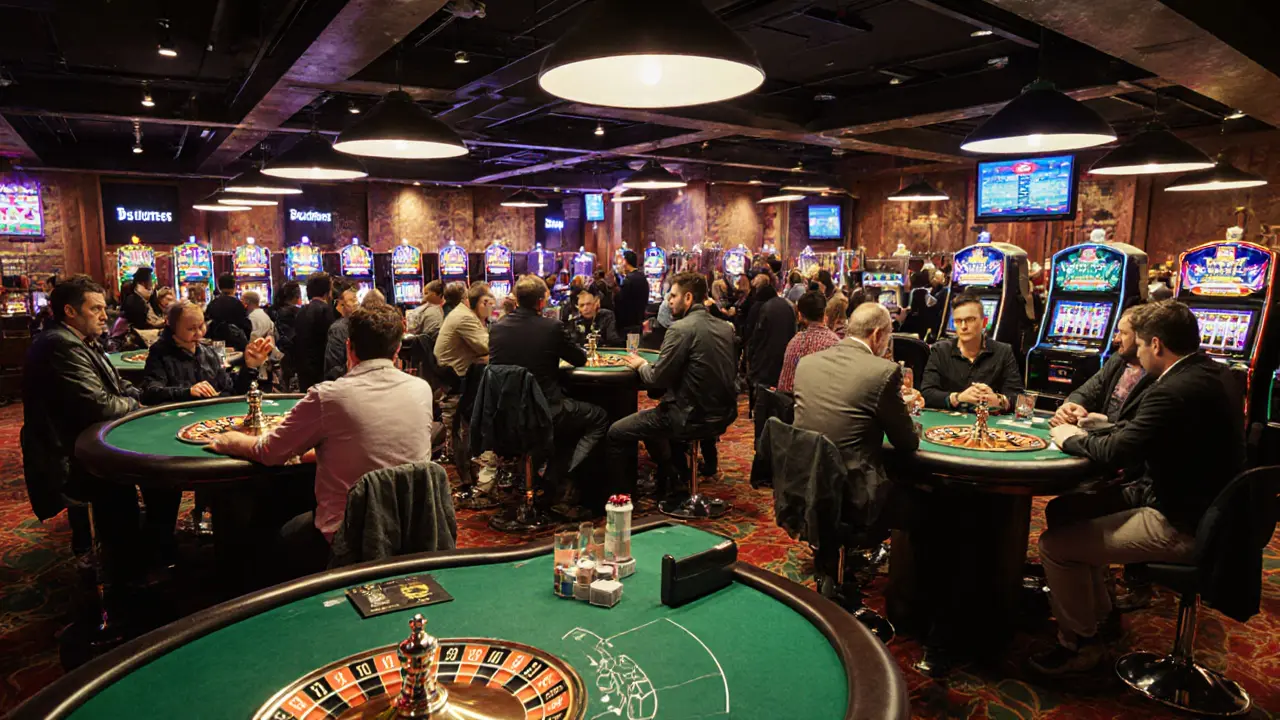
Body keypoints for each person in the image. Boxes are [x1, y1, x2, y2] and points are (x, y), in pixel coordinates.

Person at [1036, 300, 1245, 675]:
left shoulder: (1172, 389)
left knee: (1054, 547)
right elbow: (1149, 433)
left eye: (1142, 344)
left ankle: (1080, 644)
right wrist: (1105, 423)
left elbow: (1114, 454)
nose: (1139, 353)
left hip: (1182, 523)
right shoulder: (1216, 374)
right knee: (1069, 510)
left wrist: (1068, 437)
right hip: (1218, 514)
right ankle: (1101, 620)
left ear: (1158, 346)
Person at [208, 303, 434, 576]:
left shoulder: (328, 396)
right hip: (411, 527)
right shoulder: (422, 389)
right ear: (397, 349)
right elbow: (376, 447)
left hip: (347, 536)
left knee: (270, 539)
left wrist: (229, 440)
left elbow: (269, 452)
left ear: (349, 347)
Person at [21, 275, 144, 569]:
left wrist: (137, 396)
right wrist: (139, 405)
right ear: (70, 311)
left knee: (140, 479)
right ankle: (125, 569)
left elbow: (117, 386)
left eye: (104, 308)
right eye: (96, 309)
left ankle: (140, 549)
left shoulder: (81, 340)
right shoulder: (60, 345)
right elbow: (100, 406)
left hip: (83, 443)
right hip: (71, 457)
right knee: (136, 476)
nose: (105, 316)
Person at [489, 275, 609, 516]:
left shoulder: (497, 328)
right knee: (598, 417)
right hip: (545, 411)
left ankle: (546, 483)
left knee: (563, 428)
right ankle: (565, 481)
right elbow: (579, 358)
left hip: (505, 413)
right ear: (542, 302)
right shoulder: (551, 327)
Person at [610, 273, 737, 495]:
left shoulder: (680, 329)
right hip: (722, 413)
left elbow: (655, 379)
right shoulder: (725, 327)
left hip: (689, 415)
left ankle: (621, 497)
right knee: (656, 419)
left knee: (616, 431)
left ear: (688, 298)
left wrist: (640, 364)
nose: (668, 301)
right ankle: (674, 475)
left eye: (673, 296)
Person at [793, 302, 921, 473]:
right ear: (877, 335)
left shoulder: (806, 363)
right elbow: (907, 442)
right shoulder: (883, 371)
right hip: (852, 485)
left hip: (803, 474)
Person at [140, 301, 273, 405]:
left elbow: (231, 390)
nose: (199, 333)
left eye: (201, 326)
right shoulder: (160, 351)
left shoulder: (207, 351)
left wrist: (250, 367)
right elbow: (150, 394)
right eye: (191, 328)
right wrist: (188, 392)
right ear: (173, 327)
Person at [434, 282, 495, 486]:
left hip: (460, 382)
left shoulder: (466, 315)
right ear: (473, 302)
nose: (491, 307)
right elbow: (488, 347)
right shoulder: (464, 318)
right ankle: (470, 480)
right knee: (462, 434)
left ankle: (474, 473)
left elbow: (484, 353)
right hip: (456, 387)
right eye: (486, 302)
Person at [920, 294, 1023, 412]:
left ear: (984, 322)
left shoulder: (1003, 351)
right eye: (958, 321)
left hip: (989, 423)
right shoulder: (940, 350)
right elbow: (927, 394)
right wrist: (958, 398)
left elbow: (1018, 397)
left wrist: (998, 400)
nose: (963, 326)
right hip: (949, 424)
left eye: (970, 320)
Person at [777, 291, 841, 394]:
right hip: (822, 404)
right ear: (824, 313)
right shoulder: (834, 342)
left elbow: (785, 386)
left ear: (800, 315)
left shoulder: (795, 342)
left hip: (793, 405)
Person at [744, 272, 796, 394]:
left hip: (764, 366)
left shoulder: (759, 307)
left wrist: (750, 360)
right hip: (782, 363)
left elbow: (754, 337)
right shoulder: (786, 305)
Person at [292, 273, 337, 391]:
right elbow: (329, 344)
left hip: (303, 367)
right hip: (321, 369)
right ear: (328, 291)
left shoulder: (301, 311)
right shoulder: (326, 310)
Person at [323, 284, 364, 382]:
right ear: (340, 305)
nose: (356, 303)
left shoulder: (364, 324)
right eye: (352, 300)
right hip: (346, 383)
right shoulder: (338, 329)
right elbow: (333, 369)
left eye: (356, 299)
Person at [205, 273, 252, 350]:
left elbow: (207, 326)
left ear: (218, 286)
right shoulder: (238, 304)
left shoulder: (212, 304)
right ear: (234, 286)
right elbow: (246, 327)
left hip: (217, 347)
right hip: (236, 347)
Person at [273, 281, 303, 391]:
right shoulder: (295, 312)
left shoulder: (274, 310)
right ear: (296, 296)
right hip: (292, 354)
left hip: (281, 353)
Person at [615, 250, 648, 335]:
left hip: (627, 323)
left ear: (625, 262)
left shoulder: (628, 280)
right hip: (640, 320)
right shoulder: (643, 277)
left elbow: (621, 301)